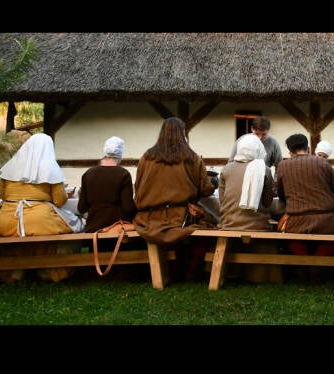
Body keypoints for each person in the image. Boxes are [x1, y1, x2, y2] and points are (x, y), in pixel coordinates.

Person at [0, 133, 84, 283]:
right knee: (75, 227)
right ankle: (51, 272)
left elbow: (4, 196)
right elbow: (59, 200)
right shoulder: (50, 169)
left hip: (8, 220)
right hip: (40, 221)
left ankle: (14, 273)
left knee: (17, 236)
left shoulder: (10, 168)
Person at [133, 118, 216, 280]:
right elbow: (206, 189)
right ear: (183, 134)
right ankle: (193, 268)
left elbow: (138, 187)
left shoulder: (146, 157)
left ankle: (175, 268)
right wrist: (213, 183)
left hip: (148, 219)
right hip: (180, 218)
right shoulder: (192, 157)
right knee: (212, 224)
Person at [275, 134, 334, 283]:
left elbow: (281, 195)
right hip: (327, 220)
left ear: (290, 152)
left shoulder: (282, 166)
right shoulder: (323, 163)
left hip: (296, 220)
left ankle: (305, 263)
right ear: (309, 149)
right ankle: (316, 264)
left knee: (286, 233)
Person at [77, 136, 137, 233]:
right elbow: (128, 208)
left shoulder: (88, 174)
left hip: (93, 229)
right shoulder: (124, 174)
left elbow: (81, 208)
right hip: (116, 230)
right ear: (120, 155)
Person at [218, 134, 274, 231]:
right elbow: (267, 202)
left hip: (229, 224)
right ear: (258, 149)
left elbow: (223, 200)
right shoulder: (264, 170)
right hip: (258, 226)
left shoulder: (226, 169)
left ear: (239, 149)